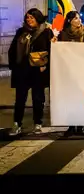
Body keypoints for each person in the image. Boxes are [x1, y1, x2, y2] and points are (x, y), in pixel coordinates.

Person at [8, 8, 54, 136]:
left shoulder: (46, 32)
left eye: (32, 18)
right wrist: (13, 66)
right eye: (27, 18)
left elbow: (51, 51)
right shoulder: (21, 32)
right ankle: (17, 123)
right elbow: (12, 50)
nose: (29, 20)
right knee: (20, 99)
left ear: (38, 19)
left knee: (38, 98)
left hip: (38, 71)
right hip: (22, 70)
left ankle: (37, 123)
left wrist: (46, 65)